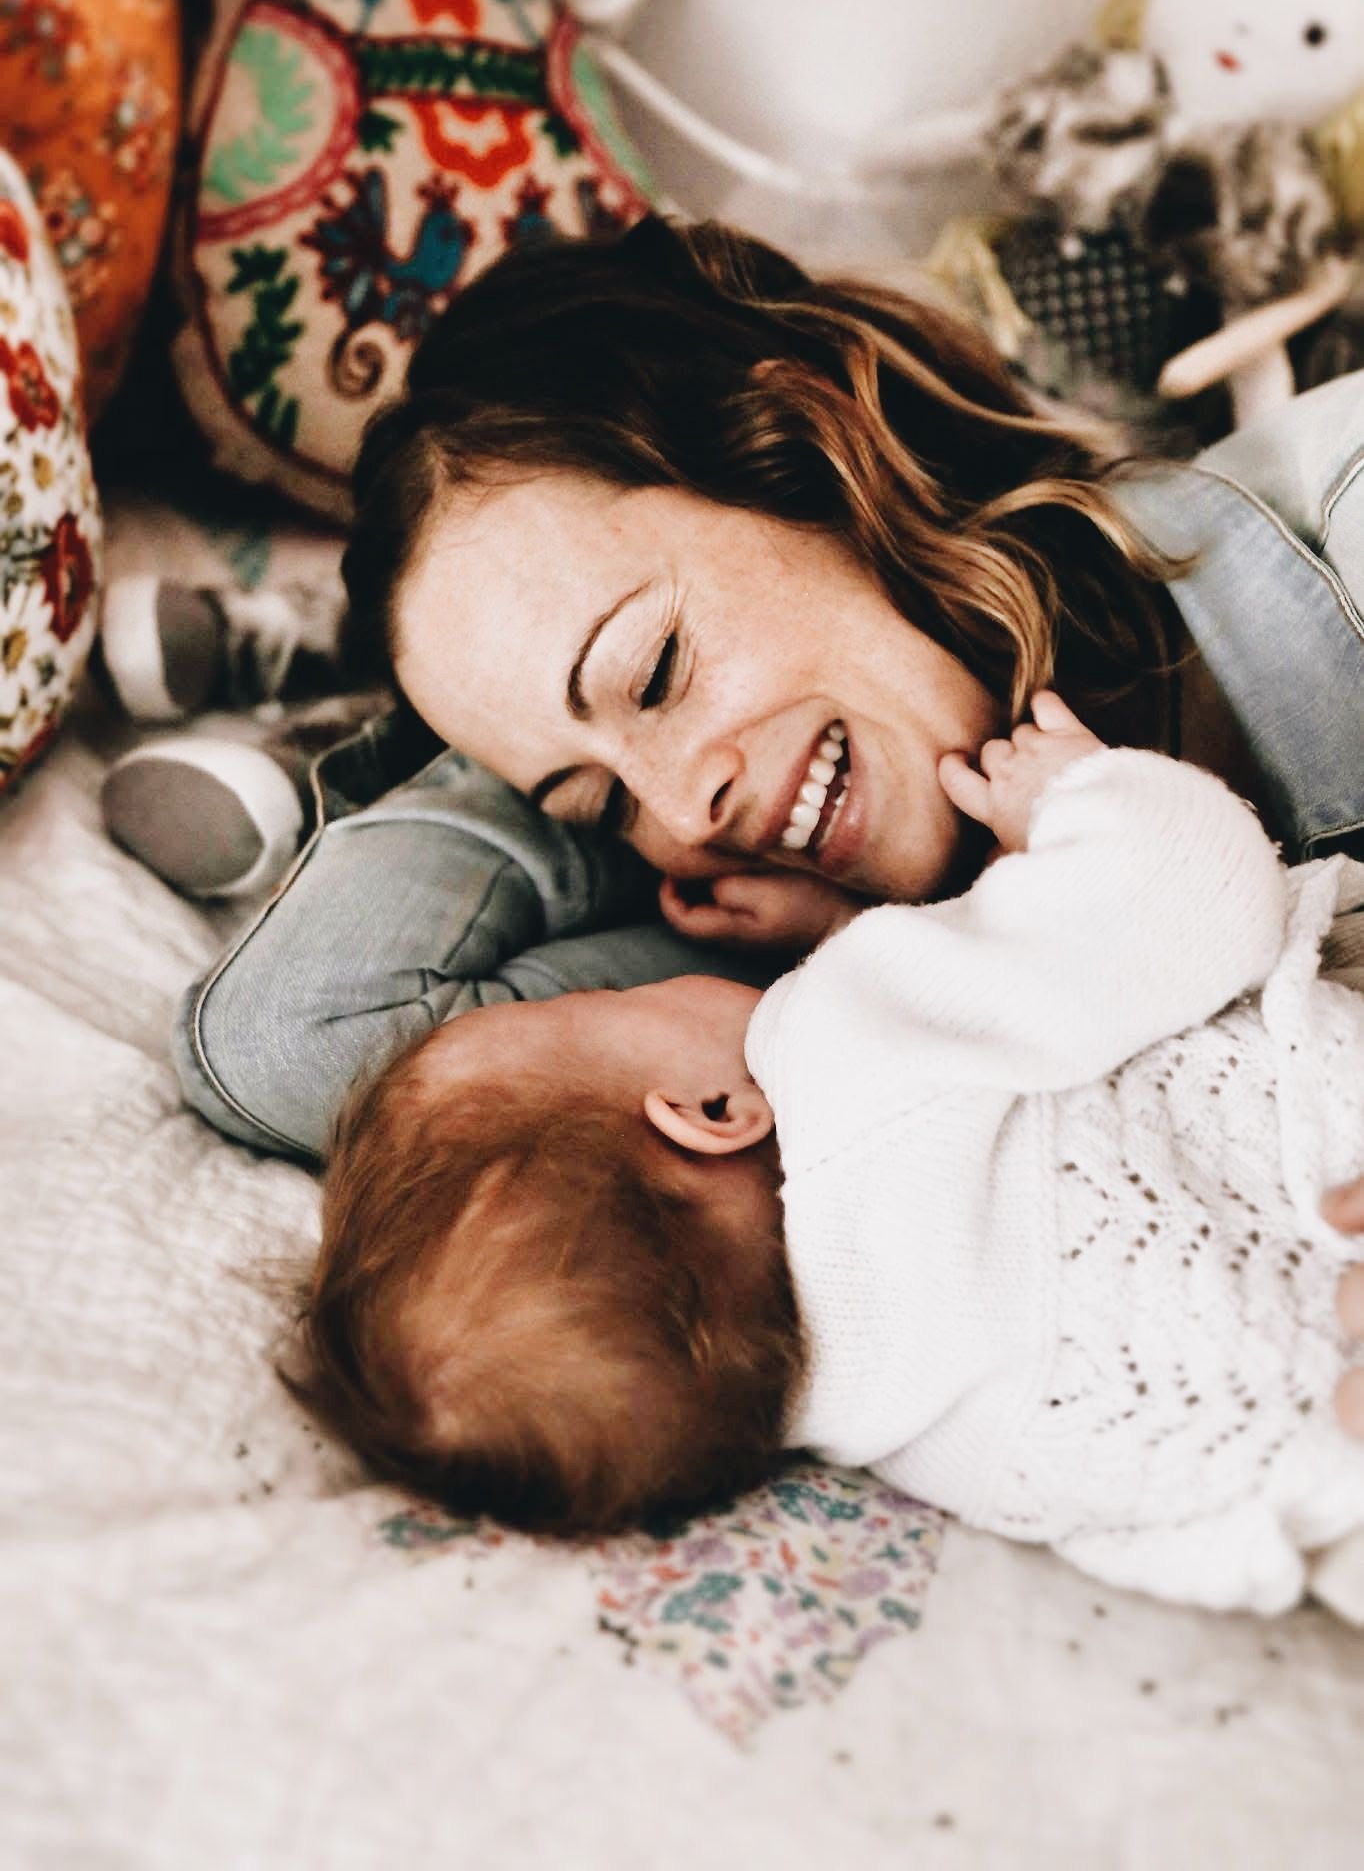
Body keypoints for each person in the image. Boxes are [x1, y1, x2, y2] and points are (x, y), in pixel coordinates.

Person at [166, 215, 1364, 1249]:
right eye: (599, 806)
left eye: (654, 673)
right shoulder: (809, 946)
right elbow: (289, 1041)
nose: (682, 814)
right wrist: (508, 724)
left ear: (809, 453)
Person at [288, 691, 1364, 1619]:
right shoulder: (842, 1040)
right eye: (605, 999)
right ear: (711, 1112)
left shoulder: (927, 1447)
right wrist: (1076, 798)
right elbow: (1191, 897)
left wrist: (849, 924)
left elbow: (976, 1086)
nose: (627, 980)